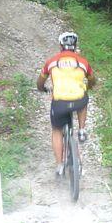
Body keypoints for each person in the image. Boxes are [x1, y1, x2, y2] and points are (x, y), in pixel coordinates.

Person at [37, 31, 96, 177]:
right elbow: (93, 80)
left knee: (57, 130)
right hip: (78, 101)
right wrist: (87, 87)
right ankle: (82, 130)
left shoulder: (52, 61)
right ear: (75, 46)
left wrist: (42, 89)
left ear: (60, 45)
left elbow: (40, 82)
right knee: (84, 97)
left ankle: (60, 165)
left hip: (59, 103)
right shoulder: (83, 62)